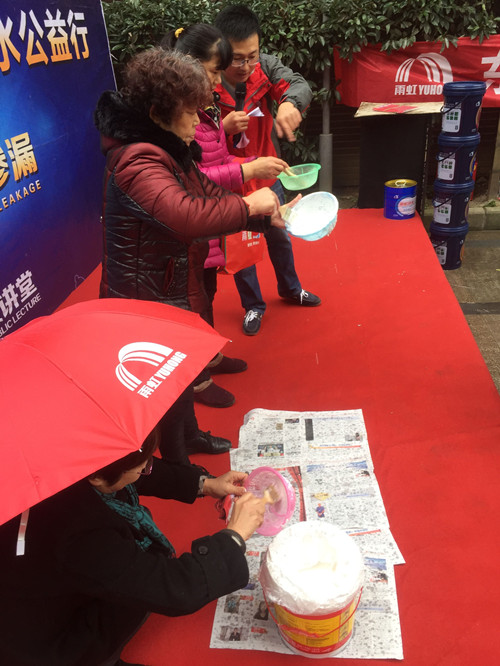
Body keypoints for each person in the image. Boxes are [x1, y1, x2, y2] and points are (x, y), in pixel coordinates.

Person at [94, 47, 286, 459]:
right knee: (159, 385)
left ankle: (189, 439)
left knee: (180, 373)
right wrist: (248, 206)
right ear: (158, 113)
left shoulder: (165, 149)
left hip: (169, 281)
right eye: (188, 112)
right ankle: (177, 468)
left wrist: (264, 218)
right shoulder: (136, 158)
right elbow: (185, 215)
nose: (197, 122)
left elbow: (206, 192)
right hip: (145, 294)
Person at [0, 426, 266, 666]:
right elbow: (176, 589)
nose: (146, 469)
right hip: (41, 640)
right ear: (97, 476)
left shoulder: (62, 458)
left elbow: (135, 467)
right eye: (142, 467)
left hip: (49, 579)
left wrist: (205, 484)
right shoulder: (77, 532)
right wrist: (234, 536)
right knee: (128, 601)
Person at [161, 24, 291, 405]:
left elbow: (216, 162)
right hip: (191, 228)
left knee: (206, 295)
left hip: (208, 223)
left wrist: (253, 165)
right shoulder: (179, 119)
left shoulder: (206, 109)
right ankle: (196, 380)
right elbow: (194, 179)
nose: (219, 81)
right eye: (214, 72)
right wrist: (248, 173)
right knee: (192, 302)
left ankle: (209, 356)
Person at [214, 4, 321, 336]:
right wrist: (222, 128)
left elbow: (298, 84)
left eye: (252, 56)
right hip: (231, 180)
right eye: (237, 59)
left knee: (280, 236)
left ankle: (290, 289)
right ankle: (253, 306)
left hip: (267, 176)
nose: (246, 66)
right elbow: (195, 138)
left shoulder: (266, 67)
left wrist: (290, 103)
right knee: (241, 248)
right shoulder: (204, 80)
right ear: (220, 51)